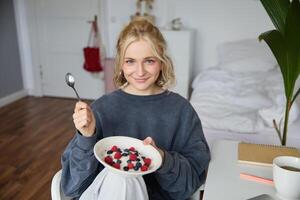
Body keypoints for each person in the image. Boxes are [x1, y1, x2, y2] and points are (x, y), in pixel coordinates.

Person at [61, 18, 210, 200]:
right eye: (130, 61)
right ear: (121, 65)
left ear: (162, 62)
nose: (140, 72)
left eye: (149, 61)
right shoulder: (101, 108)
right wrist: (86, 138)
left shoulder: (181, 111)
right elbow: (72, 187)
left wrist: (162, 158)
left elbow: (189, 184)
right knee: (120, 178)